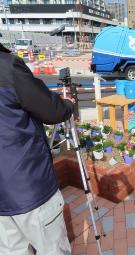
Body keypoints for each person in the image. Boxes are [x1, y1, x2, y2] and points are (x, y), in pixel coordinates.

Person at [0, 43, 74, 254]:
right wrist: (67, 104)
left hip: (3, 200)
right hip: (29, 186)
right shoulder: (8, 67)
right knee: (52, 248)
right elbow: (51, 110)